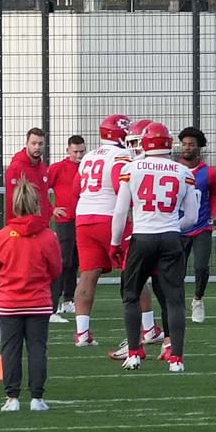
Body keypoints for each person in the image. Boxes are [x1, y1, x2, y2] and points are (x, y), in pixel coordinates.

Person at [113, 120, 200, 369]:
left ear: (145, 142)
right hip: (170, 237)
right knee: (174, 299)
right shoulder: (183, 171)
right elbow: (192, 218)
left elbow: (120, 212)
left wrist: (115, 242)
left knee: (130, 295)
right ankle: (177, 359)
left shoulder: (132, 168)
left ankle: (133, 352)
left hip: (142, 237)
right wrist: (172, 227)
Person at [0, 197, 63, 411]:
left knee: (10, 349)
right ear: (37, 206)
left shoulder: (2, 236)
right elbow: (56, 268)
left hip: (10, 302)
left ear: (14, 207)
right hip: (39, 302)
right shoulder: (48, 236)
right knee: (37, 349)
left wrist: (5, 278)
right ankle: (37, 398)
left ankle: (12, 398)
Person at [75, 117, 133, 348]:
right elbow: (122, 187)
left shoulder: (87, 157)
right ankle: (149, 326)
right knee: (134, 271)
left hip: (84, 217)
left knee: (88, 275)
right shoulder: (120, 156)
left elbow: (75, 189)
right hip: (110, 216)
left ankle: (82, 333)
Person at [182, 122, 216, 323]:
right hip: (179, 227)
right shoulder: (175, 169)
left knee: (201, 267)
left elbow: (215, 193)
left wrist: (215, 213)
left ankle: (198, 299)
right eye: (184, 144)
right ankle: (175, 304)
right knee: (175, 270)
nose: (187, 147)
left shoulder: (209, 172)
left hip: (202, 226)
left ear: (198, 147)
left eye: (191, 144)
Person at [49, 131, 88, 315]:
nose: (79, 155)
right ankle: (53, 301)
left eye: (81, 151)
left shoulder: (87, 168)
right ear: (68, 150)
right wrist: (52, 209)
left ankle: (68, 299)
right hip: (64, 220)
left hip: (82, 219)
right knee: (63, 260)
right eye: (75, 152)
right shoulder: (57, 168)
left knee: (75, 261)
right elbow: (41, 188)